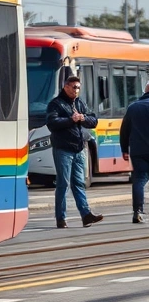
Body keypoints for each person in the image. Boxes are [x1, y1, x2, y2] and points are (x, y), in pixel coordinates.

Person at [46, 75, 104, 228]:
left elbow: (94, 120)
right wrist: (71, 120)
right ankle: (61, 218)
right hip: (63, 149)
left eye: (78, 87)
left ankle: (86, 215)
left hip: (79, 149)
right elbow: (52, 123)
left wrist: (82, 117)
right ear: (66, 87)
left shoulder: (80, 103)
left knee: (79, 183)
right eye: (74, 87)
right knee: (63, 184)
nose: (76, 90)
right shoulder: (56, 104)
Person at [119, 79, 149, 224]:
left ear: (146, 90)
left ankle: (137, 211)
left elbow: (124, 130)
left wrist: (124, 149)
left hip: (138, 151)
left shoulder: (133, 107)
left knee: (139, 180)